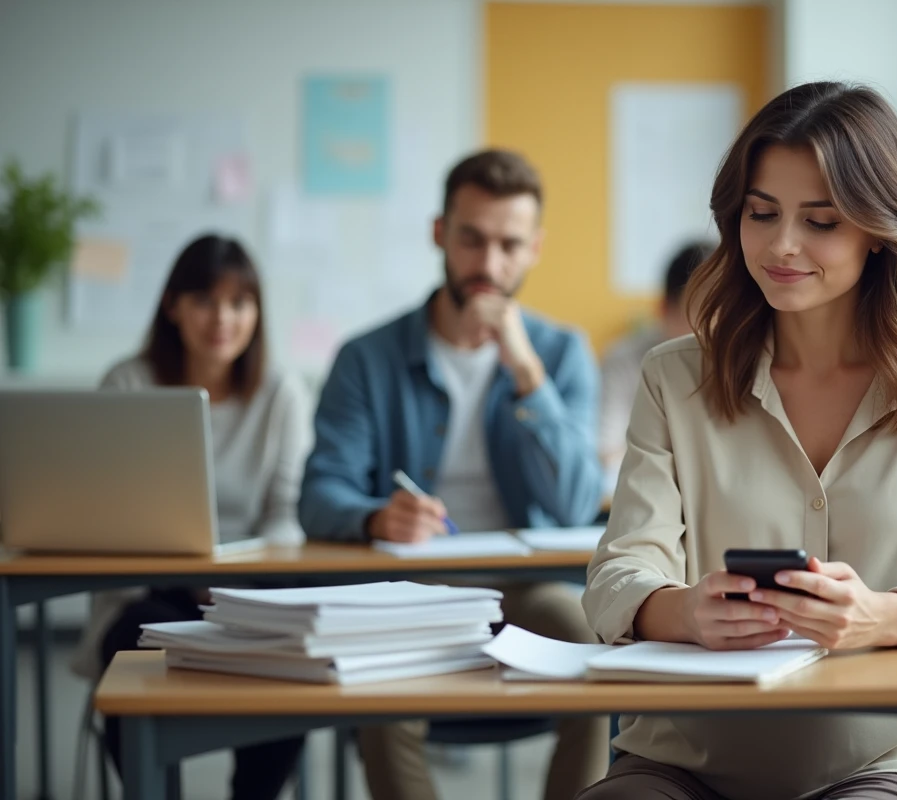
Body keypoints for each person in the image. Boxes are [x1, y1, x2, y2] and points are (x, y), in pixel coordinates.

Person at [580, 82, 897, 800]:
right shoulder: (673, 376)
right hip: (684, 761)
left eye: (821, 221)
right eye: (761, 213)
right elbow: (617, 578)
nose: (782, 245)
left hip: (893, 760)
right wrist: (685, 609)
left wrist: (890, 615)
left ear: (879, 228)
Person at [299, 149, 609, 800]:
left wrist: (527, 374)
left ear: (534, 249)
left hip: (527, 591)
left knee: (597, 660)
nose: (489, 265)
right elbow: (320, 492)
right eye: (471, 239)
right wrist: (376, 515)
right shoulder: (368, 357)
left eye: (509, 245)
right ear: (440, 233)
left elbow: (579, 501)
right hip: (412, 590)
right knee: (383, 704)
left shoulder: (560, 353)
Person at [71, 234, 311, 799]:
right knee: (132, 646)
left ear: (257, 311)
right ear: (172, 305)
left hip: (250, 590)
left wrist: (228, 578)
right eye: (204, 300)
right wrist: (189, 573)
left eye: (239, 303)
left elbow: (286, 515)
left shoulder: (282, 392)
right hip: (146, 590)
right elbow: (106, 508)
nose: (222, 319)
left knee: (298, 663)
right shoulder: (128, 382)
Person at [599, 241, 711, 492]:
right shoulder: (624, 360)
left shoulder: (744, 362)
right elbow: (606, 452)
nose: (713, 329)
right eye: (702, 313)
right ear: (664, 309)